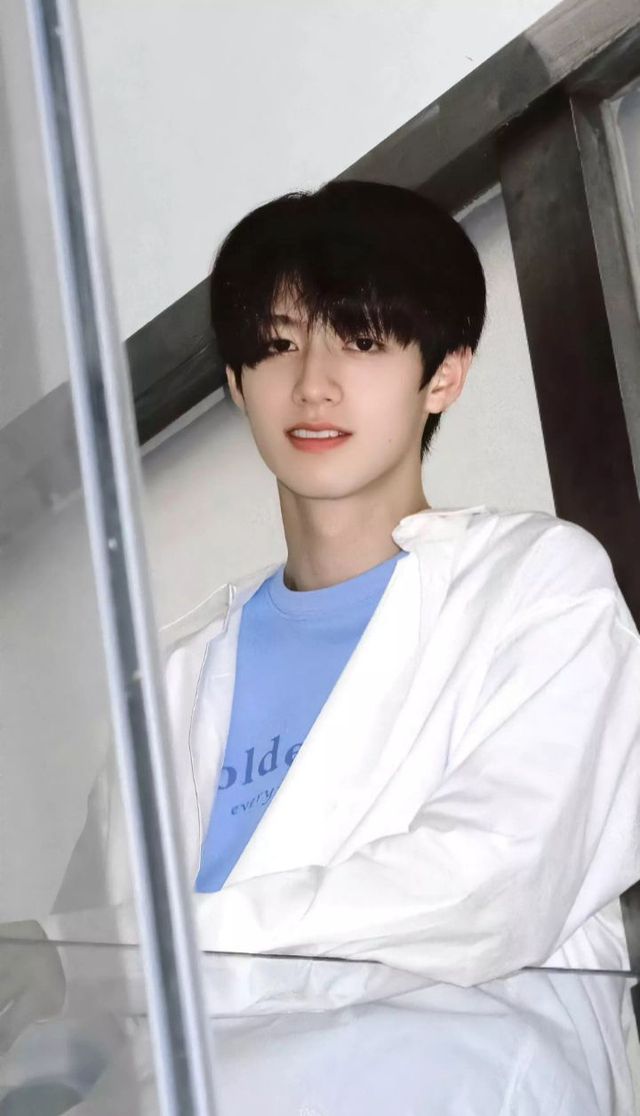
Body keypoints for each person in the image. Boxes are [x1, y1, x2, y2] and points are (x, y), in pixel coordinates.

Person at [3, 182, 640, 1108]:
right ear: (236, 382)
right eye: (277, 345)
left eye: (364, 341)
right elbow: (79, 1013)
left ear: (445, 375)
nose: (313, 383)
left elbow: (486, 889)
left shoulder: (536, 588)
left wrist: (97, 959)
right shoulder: (175, 686)